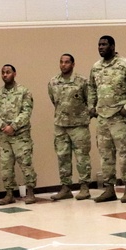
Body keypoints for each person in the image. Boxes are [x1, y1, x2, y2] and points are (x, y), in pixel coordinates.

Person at [88, 35, 126, 203]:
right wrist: (92, 106)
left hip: (120, 118)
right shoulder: (96, 67)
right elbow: (92, 88)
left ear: (112, 46)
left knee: (125, 155)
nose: (100, 47)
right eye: (99, 44)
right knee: (105, 155)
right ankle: (109, 189)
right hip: (103, 118)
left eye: (104, 44)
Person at [0, 64, 37, 205]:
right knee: (6, 166)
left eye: (8, 72)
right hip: (4, 136)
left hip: (20, 135)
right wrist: (3, 126)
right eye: (3, 72)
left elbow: (26, 112)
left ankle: (30, 192)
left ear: (15, 74)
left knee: (25, 164)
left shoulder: (24, 92)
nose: (5, 75)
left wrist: (14, 126)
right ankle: (9, 193)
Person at [47, 53, 92, 201]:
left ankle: (84, 187)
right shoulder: (53, 82)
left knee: (82, 157)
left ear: (73, 64)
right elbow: (55, 101)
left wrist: (82, 116)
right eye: (61, 62)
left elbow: (90, 101)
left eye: (67, 62)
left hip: (78, 126)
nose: (63, 65)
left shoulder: (82, 81)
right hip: (61, 125)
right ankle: (65, 188)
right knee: (62, 157)